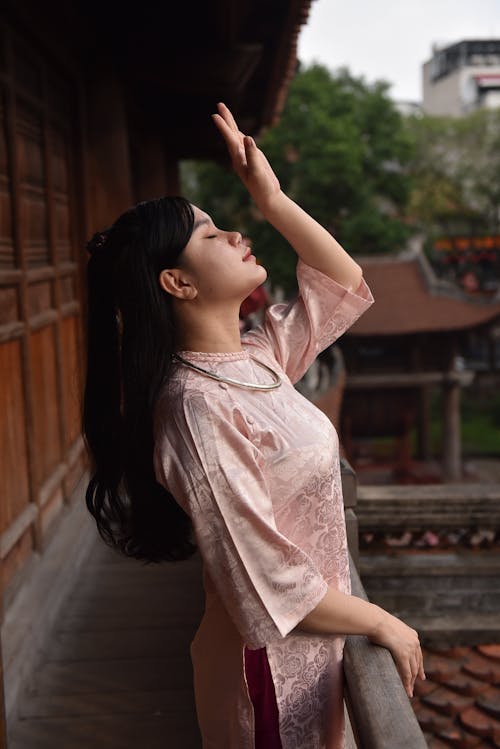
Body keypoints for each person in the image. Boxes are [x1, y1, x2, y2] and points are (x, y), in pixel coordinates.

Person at [83, 103, 425, 749]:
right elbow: (262, 580)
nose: (235, 234)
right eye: (211, 234)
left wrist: (273, 199)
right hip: (268, 669)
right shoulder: (193, 406)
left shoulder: (255, 353)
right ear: (177, 281)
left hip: (319, 645)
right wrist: (381, 619)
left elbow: (341, 284)